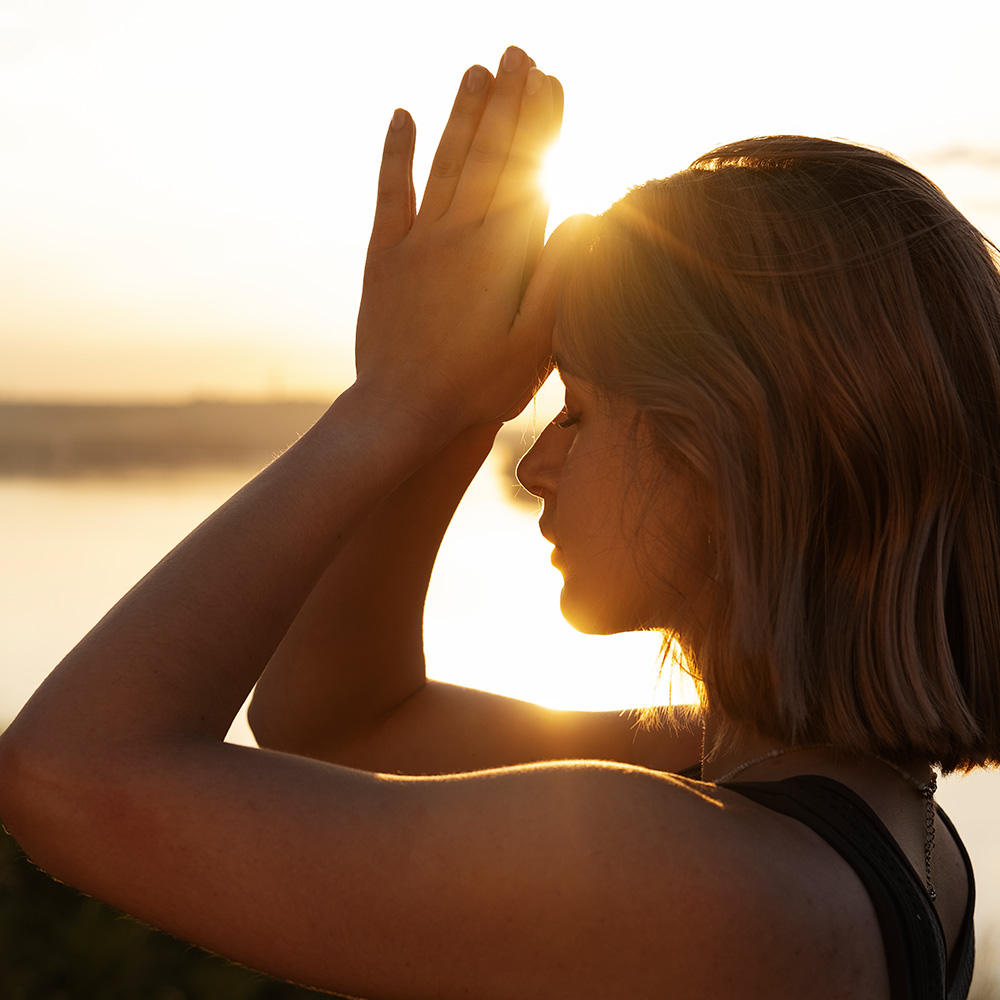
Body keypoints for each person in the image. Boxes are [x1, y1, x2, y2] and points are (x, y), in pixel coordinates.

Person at [0, 44, 993, 999]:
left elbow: (70, 771)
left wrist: (393, 407)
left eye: (579, 408)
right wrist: (450, 409)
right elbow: (336, 720)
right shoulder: (878, 822)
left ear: (735, 452)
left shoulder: (689, 875)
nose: (534, 461)